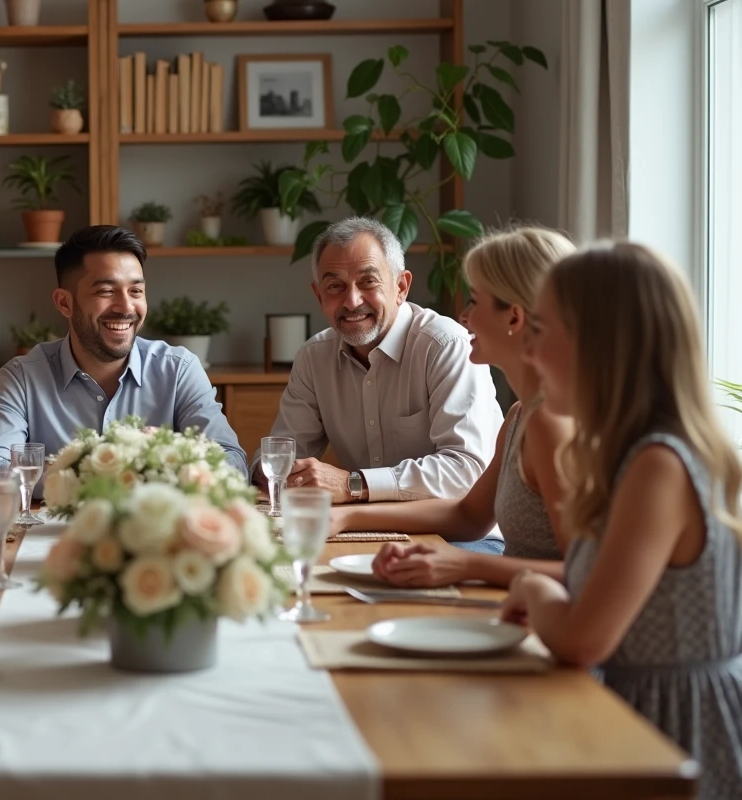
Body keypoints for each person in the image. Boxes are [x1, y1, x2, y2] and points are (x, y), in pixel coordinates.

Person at [501, 242, 742, 798]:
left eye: (542, 329)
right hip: (631, 718)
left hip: (673, 736)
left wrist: (534, 589)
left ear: (602, 344)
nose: (530, 351)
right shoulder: (629, 455)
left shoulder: (660, 466)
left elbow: (585, 639)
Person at [327, 227, 576, 587]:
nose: (464, 315)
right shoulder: (521, 415)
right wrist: (347, 519)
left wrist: (464, 565)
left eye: (475, 300)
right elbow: (469, 515)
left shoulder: (551, 424)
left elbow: (590, 576)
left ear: (514, 318)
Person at [255, 217, 504, 553]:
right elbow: (279, 457)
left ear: (401, 287)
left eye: (368, 282)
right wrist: (276, 473)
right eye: (335, 286)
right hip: (363, 529)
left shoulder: (446, 345)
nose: (352, 301)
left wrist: (352, 484)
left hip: (463, 537)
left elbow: (465, 473)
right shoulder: (314, 357)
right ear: (318, 295)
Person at [0, 225, 248, 481]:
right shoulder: (22, 378)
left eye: (136, 290)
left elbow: (231, 461)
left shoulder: (178, 370)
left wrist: (156, 464)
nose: (125, 307)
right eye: (106, 291)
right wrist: (100, 472)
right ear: (64, 303)